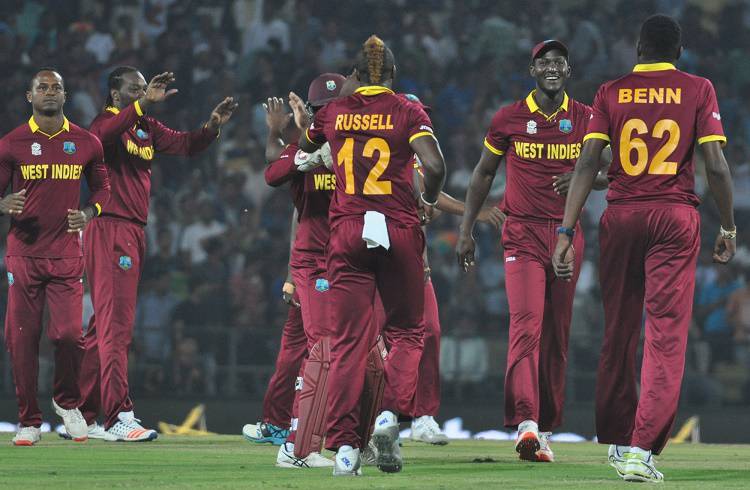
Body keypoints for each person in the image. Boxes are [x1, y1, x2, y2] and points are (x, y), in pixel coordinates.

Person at [551, 14, 735, 483]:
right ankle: (641, 450)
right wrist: (729, 226)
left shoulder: (610, 92)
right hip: (673, 218)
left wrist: (566, 232)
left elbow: (588, 161)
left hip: (621, 216)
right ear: (679, 51)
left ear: (637, 48)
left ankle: (616, 440)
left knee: (619, 330)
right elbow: (715, 164)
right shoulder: (698, 89)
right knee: (665, 335)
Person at [292, 35, 446, 476]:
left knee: (347, 344)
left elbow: (304, 146)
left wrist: (311, 125)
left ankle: (343, 449)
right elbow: (434, 167)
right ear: (394, 76)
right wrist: (428, 200)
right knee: (408, 332)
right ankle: (388, 417)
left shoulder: (336, 111)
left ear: (356, 76)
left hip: (347, 231)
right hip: (397, 227)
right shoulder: (407, 110)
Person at [456, 40, 608, 463]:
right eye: (545, 62)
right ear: (533, 70)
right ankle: (525, 423)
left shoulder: (587, 118)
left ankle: (544, 429)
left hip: (565, 236)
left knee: (557, 336)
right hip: (520, 233)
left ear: (569, 70)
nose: (552, 67)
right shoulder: (508, 118)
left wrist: (582, 177)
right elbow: (483, 174)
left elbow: (610, 170)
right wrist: (466, 229)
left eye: (560, 61)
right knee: (526, 325)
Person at [75, 66, 237, 441]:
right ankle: (118, 416)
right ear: (115, 95)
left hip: (133, 230)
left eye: (144, 88)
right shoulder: (104, 123)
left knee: (103, 326)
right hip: (110, 226)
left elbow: (185, 145)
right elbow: (100, 139)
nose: (143, 93)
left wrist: (212, 126)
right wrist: (142, 105)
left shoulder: (145, 127)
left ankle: (81, 414)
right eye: (135, 89)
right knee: (117, 327)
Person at [0, 68, 110, 446]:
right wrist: (3, 204)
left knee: (68, 335)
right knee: (22, 339)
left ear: (65, 95)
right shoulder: (12, 143)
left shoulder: (86, 142)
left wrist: (89, 214)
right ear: (29, 97)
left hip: (66, 254)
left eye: (57, 87)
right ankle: (28, 420)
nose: (50, 92)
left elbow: (102, 190)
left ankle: (67, 403)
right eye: (42, 87)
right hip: (24, 255)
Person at [245, 74, 347, 470]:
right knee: (322, 348)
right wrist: (292, 138)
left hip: (344, 261)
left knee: (296, 351)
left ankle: (279, 423)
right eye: (321, 108)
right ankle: (297, 442)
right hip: (315, 264)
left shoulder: (349, 147)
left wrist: (295, 136)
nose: (327, 114)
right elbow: (274, 172)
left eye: (330, 108)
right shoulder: (303, 149)